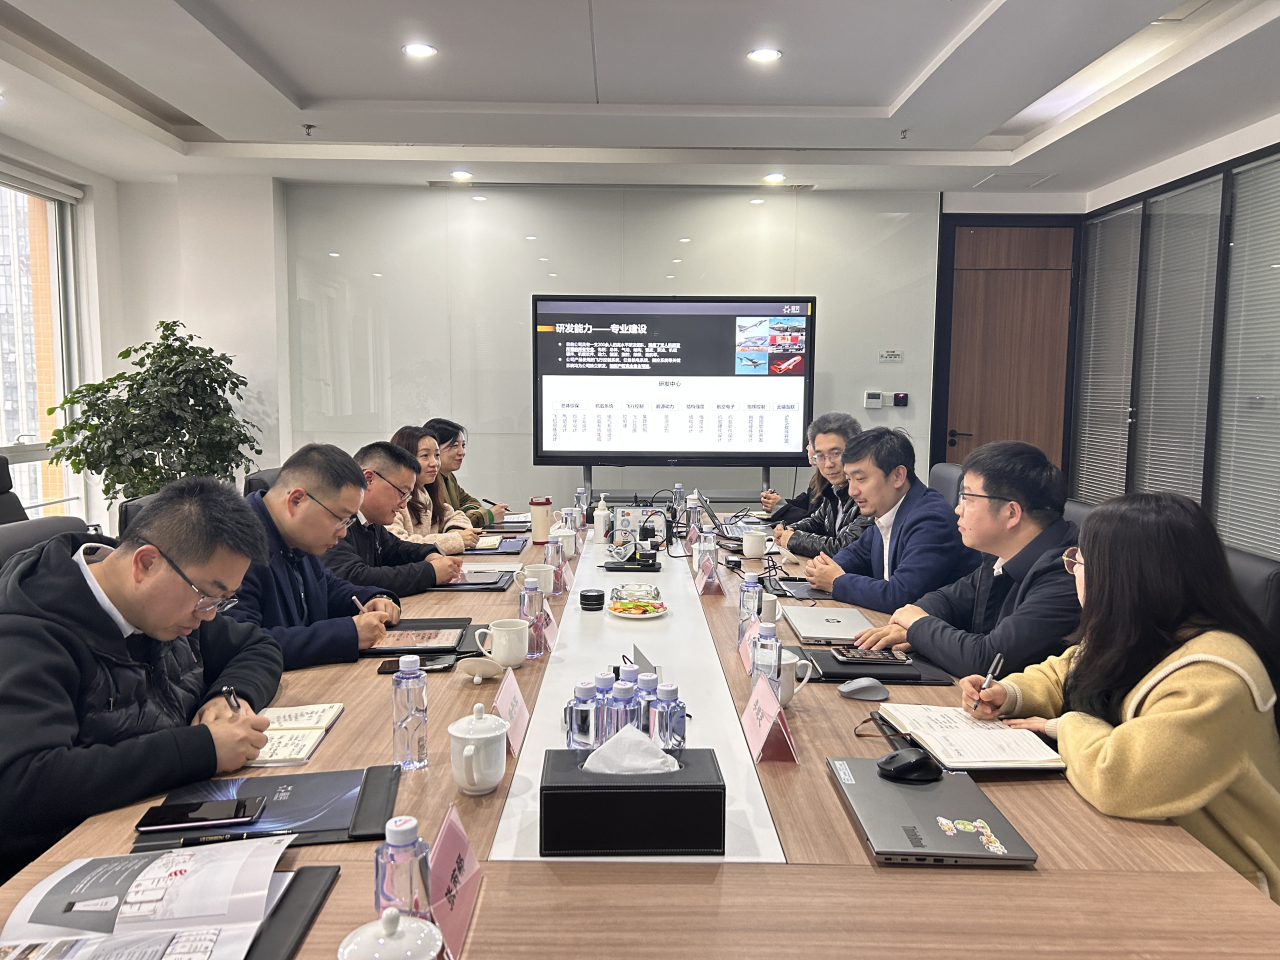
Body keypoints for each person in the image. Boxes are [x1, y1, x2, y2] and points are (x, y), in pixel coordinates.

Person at [965, 492, 1280, 903]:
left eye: (1079, 562)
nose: (1073, 571)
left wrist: (1062, 726)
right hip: (1147, 843)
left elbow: (1120, 780)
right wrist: (1010, 693)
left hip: (1229, 879)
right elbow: (1065, 672)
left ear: (1123, 576)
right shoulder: (1140, 629)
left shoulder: (1215, 673)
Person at [0, 477, 283, 882]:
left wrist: (227, 696)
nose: (209, 614)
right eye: (207, 595)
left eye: (221, 601)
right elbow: (23, 784)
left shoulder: (169, 606)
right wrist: (200, 749)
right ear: (146, 563)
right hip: (67, 867)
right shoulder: (26, 633)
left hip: (160, 819)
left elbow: (257, 646)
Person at [854, 441, 1081, 676]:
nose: (957, 509)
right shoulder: (1000, 556)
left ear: (1011, 513)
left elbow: (988, 660)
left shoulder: (1067, 575)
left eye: (968, 499)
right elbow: (948, 600)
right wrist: (912, 622)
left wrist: (919, 626)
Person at [229, 443, 403, 671]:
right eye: (340, 519)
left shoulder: (295, 536)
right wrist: (346, 634)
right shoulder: (234, 545)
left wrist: (373, 598)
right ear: (296, 501)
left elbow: (326, 587)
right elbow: (242, 644)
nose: (343, 533)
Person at [804, 427, 979, 611]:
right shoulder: (889, 510)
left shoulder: (932, 521)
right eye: (849, 480)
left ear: (898, 476)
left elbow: (901, 595)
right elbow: (857, 554)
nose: (852, 491)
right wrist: (826, 568)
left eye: (860, 479)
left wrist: (836, 581)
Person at [322, 441, 464, 594]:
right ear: (369, 480)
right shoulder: (334, 521)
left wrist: (428, 554)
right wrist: (431, 572)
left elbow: (396, 549)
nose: (403, 505)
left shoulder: (370, 522)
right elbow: (354, 577)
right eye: (402, 493)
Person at [773, 412, 872, 558]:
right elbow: (817, 522)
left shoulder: (868, 493)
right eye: (820, 456)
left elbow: (846, 547)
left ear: (856, 452)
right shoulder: (834, 489)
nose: (828, 464)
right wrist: (789, 529)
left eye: (835, 454)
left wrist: (794, 539)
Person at [387, 425, 479, 554]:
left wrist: (455, 530)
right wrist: (454, 540)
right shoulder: (391, 499)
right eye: (425, 455)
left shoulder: (424, 492)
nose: (435, 463)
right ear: (403, 458)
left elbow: (454, 515)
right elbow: (400, 545)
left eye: (437, 455)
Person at [424, 417, 508, 528]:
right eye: (454, 446)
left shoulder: (449, 476)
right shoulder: (428, 480)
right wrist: (487, 516)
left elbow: (469, 501)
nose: (462, 452)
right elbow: (444, 524)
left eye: (463, 446)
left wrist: (468, 511)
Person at [760, 443, 820, 525]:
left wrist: (781, 508)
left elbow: (815, 522)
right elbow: (804, 503)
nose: (807, 448)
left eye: (810, 444)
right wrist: (775, 502)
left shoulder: (830, 482)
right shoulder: (818, 478)